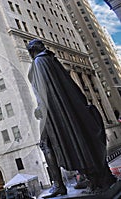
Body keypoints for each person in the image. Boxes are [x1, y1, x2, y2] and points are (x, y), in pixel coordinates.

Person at [27, 39, 116, 198]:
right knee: (62, 141)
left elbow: (43, 90)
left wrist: (40, 108)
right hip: (63, 110)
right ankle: (78, 178)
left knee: (45, 144)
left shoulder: (39, 62)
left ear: (31, 51)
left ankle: (60, 185)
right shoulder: (50, 59)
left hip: (53, 112)